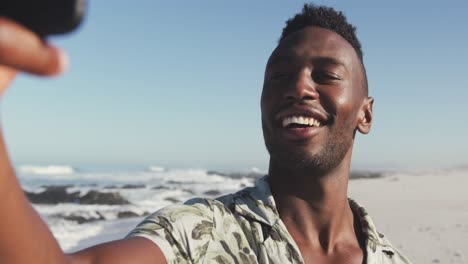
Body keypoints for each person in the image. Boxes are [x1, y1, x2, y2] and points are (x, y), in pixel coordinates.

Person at [0, 3, 412, 264]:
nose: (299, 88)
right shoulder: (199, 235)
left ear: (366, 114)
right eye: (281, 76)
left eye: (325, 75)